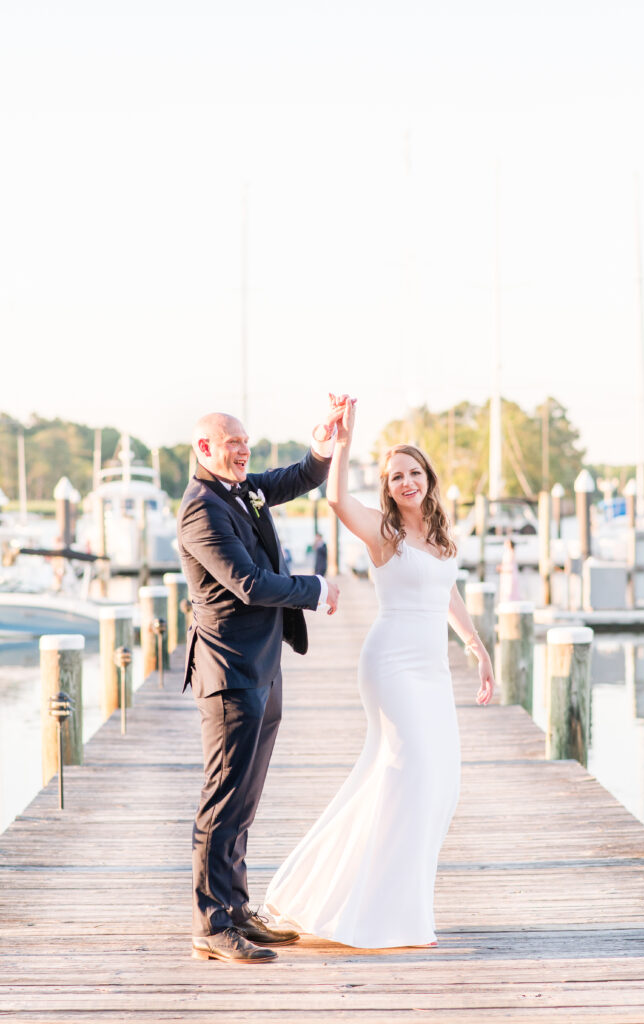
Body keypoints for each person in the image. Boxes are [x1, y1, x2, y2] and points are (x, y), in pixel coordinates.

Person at [264, 399, 495, 949]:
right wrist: (344, 441)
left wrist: (476, 645)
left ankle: (402, 908)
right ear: (388, 488)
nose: (407, 482)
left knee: (440, 784)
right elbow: (339, 498)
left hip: (434, 671)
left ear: (428, 479)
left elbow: (447, 592)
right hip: (391, 665)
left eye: (415, 472)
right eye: (396, 476)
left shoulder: (441, 537)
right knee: (406, 774)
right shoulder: (383, 534)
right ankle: (375, 913)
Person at [177, 397, 347, 964]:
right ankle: (211, 923)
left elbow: (297, 477)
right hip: (229, 672)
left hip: (263, 666)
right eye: (232, 442)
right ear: (204, 448)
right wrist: (315, 590)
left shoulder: (240, 488)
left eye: (246, 440)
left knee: (245, 798)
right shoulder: (202, 509)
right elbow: (248, 583)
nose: (243, 449)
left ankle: (237, 908)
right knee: (222, 800)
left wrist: (321, 444)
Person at [497, 536, 521, 602]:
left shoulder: (511, 553)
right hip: (506, 574)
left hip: (509, 575)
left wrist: (501, 568)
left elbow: (510, 567)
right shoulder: (508, 553)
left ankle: (509, 602)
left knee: (509, 590)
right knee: (505, 590)